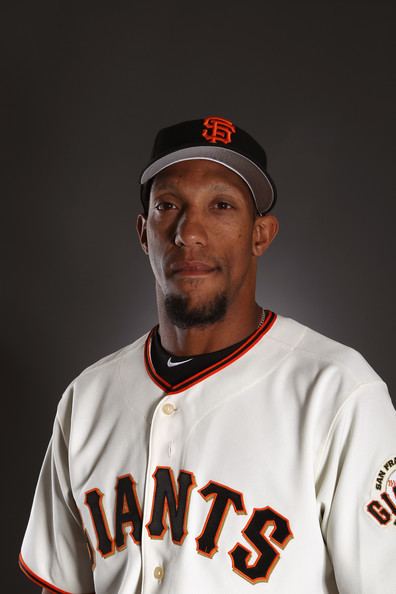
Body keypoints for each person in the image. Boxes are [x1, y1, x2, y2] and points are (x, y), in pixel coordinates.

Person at [20, 116, 395, 594]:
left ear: (261, 234)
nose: (188, 231)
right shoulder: (87, 399)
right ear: (143, 232)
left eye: (221, 206)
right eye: (168, 205)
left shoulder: (339, 393)